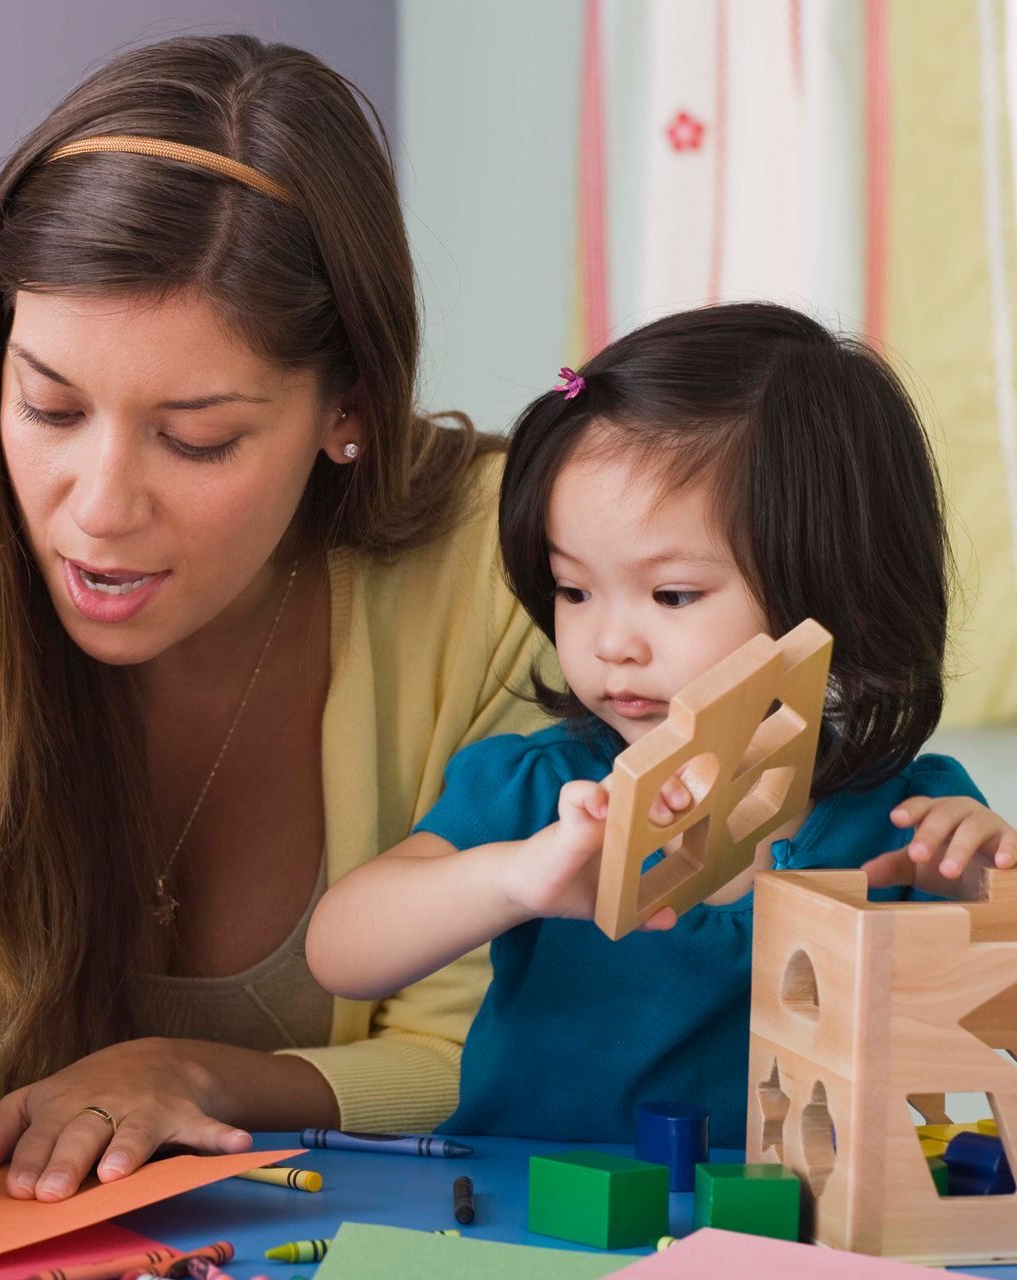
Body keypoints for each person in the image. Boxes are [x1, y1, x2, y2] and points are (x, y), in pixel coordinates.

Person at [0, 34, 549, 1202]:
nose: (98, 509)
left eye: (197, 437)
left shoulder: (503, 564)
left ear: (347, 407)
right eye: (48, 406)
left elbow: (487, 1052)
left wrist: (191, 1072)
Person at [306, 302, 1017, 1143]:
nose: (610, 643)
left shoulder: (906, 817)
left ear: (838, 592)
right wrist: (512, 881)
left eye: (672, 595)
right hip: (521, 1217)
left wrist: (982, 894)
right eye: (573, 590)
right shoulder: (540, 790)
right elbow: (341, 954)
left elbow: (982, 1033)